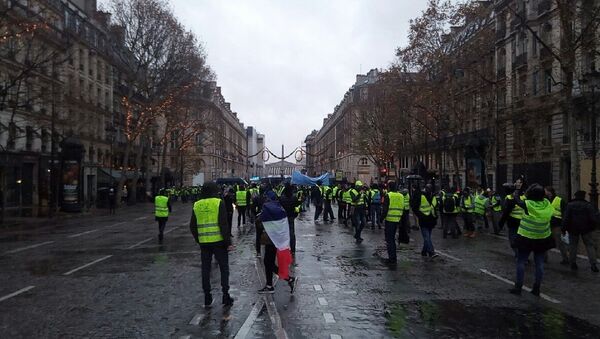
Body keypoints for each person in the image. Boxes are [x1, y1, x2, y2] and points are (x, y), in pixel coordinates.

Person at [189, 182, 234, 308]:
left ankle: (207, 296)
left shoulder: (197, 204)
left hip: (204, 243)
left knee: (206, 269)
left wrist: (199, 239)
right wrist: (228, 243)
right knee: (224, 268)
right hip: (219, 242)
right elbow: (223, 224)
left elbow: (192, 226)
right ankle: (225, 295)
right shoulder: (218, 202)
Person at [509, 184, 555, 297]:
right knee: (539, 264)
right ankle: (536, 288)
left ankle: (518, 287)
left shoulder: (527, 204)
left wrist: (517, 189)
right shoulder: (547, 204)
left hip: (526, 237)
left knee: (521, 262)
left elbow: (516, 199)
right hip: (542, 238)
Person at [256, 191, 297, 294]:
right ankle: (286, 279)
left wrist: (258, 218)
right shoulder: (280, 208)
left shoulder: (267, 208)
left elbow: (260, 223)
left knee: (268, 262)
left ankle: (271, 285)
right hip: (278, 240)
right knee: (268, 262)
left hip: (270, 239)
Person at [562, 191, 599, 272]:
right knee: (590, 246)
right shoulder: (588, 205)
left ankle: (573, 263)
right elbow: (593, 218)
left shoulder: (570, 205)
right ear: (584, 196)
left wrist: (564, 229)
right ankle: (593, 264)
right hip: (586, 229)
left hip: (573, 229)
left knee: (573, 246)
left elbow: (566, 218)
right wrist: (592, 227)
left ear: (575, 196)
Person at [499, 178, 526, 258]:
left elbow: (505, 212)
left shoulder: (509, 198)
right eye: (517, 182)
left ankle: (520, 255)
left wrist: (501, 224)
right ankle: (523, 255)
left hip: (514, 222)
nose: (518, 184)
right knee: (520, 240)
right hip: (521, 222)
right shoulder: (524, 196)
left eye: (519, 182)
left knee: (513, 240)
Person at [412, 184, 439, 259]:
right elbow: (415, 207)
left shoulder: (433, 197)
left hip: (431, 220)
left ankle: (424, 251)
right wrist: (420, 215)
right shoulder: (421, 196)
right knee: (427, 237)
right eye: (427, 188)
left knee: (428, 237)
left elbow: (435, 208)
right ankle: (431, 252)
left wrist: (435, 216)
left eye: (430, 188)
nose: (428, 189)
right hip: (424, 220)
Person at [382, 182, 406, 264]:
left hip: (390, 220)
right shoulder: (401, 196)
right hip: (398, 219)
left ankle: (392, 258)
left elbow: (385, 209)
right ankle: (393, 257)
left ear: (389, 187)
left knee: (390, 240)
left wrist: (381, 218)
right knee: (393, 240)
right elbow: (403, 208)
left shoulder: (388, 195)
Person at [544, 186, 569, 265]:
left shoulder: (559, 200)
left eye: (545, 191)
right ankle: (544, 258)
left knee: (560, 243)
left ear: (549, 192)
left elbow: (564, 213)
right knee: (544, 241)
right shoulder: (545, 200)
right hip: (547, 223)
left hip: (557, 225)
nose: (544, 192)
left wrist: (564, 225)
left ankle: (565, 259)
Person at [279, 183, 302, 256]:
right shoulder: (294, 198)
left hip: (283, 218)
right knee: (292, 234)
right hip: (291, 217)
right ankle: (293, 249)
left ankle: (283, 248)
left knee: (283, 234)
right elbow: (297, 206)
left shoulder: (282, 198)